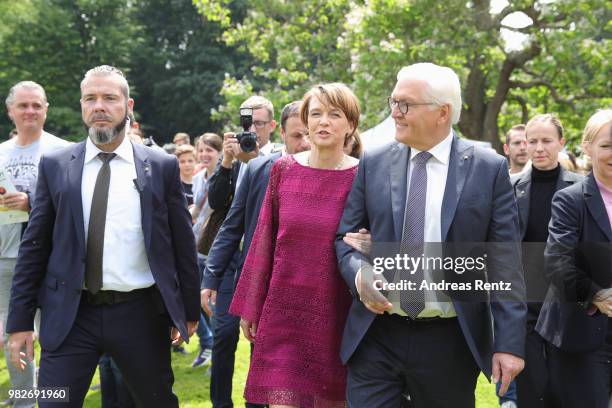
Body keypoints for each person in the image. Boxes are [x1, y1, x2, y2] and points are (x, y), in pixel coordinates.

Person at [5, 65, 200, 407]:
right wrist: (20, 321)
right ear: (81, 105)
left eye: (109, 98)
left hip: (140, 315)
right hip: (69, 315)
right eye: (90, 98)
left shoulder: (161, 166)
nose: (99, 106)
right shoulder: (56, 165)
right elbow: (35, 246)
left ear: (128, 105)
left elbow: (181, 243)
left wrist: (187, 309)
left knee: (156, 401)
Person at [335, 63, 527, 408]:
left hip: (449, 341)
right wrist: (360, 273)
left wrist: (509, 343)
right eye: (393, 101)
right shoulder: (373, 162)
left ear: (442, 113)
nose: (395, 112)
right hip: (377, 334)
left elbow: (505, 262)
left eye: (405, 104)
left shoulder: (488, 168)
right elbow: (345, 240)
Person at [229, 84, 359, 407]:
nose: (323, 122)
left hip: (336, 315)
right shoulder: (283, 170)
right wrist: (252, 303)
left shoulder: (363, 177)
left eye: (334, 114)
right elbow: (264, 239)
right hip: (283, 313)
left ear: (351, 125)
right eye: (316, 114)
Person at [203, 95, 281, 408]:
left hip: (261, 260)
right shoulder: (234, 157)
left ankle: (256, 402)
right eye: (249, 124)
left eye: (260, 124)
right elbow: (216, 202)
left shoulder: (280, 158)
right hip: (232, 259)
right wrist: (226, 161)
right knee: (223, 335)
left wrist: (255, 159)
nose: (254, 131)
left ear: (273, 126)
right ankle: (221, 402)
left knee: (258, 337)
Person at [0, 80, 70, 408]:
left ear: (46, 110)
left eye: (37, 105)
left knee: (56, 334)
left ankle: (55, 399)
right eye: (23, 105)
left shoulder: (64, 151)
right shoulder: (0, 153)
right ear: (10, 110)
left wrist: (31, 203)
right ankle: (25, 401)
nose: (30, 111)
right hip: (6, 257)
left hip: (52, 258)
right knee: (14, 336)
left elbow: (74, 209)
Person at [536, 109, 612, 408]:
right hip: (580, 334)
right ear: (588, 147)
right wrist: (597, 295)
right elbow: (557, 262)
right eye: (606, 145)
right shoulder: (571, 199)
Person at [510, 114, 582, 407]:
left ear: (561, 143)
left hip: (565, 297)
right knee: (530, 382)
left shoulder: (582, 187)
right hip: (523, 297)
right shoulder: (510, 186)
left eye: (547, 141)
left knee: (562, 383)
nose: (539, 148)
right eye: (533, 141)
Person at [190, 133, 223, 368]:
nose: (204, 154)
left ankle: (213, 351)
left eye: (209, 150)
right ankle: (208, 345)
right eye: (201, 150)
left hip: (214, 247)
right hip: (195, 244)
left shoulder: (225, 178)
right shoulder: (198, 178)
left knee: (210, 301)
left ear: (219, 152)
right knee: (194, 298)